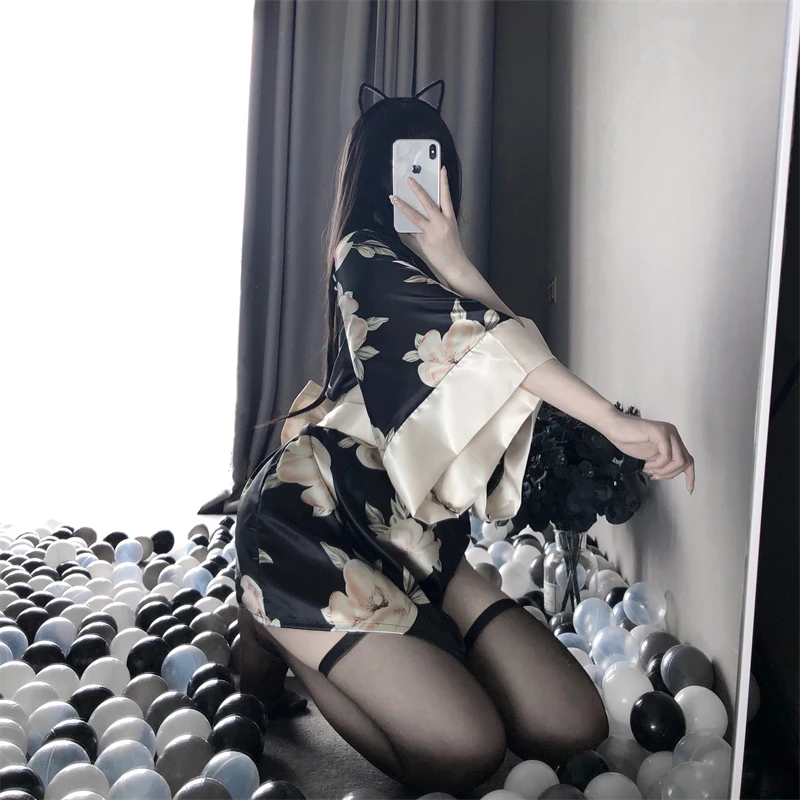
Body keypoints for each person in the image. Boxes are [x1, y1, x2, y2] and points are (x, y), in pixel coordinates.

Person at [234, 85, 695, 796]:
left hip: (415, 534)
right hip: (315, 521)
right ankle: (278, 631)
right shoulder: (359, 254)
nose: (426, 181)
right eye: (408, 165)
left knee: (573, 723)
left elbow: (507, 348)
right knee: (465, 752)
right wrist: (615, 420)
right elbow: (482, 346)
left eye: (436, 165)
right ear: (374, 177)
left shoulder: (434, 272)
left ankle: (408, 640)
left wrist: (456, 265)